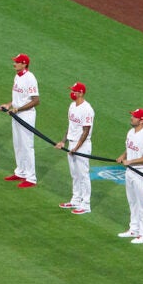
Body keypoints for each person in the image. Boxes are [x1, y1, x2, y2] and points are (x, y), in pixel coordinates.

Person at [116, 108, 143, 244]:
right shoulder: (131, 133)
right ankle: (134, 229)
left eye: (134, 116)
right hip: (131, 172)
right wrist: (123, 156)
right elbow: (130, 148)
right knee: (132, 201)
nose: (132, 118)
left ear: (142, 120)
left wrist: (131, 161)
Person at [1, 54, 40, 188]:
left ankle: (31, 177)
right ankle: (21, 172)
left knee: (27, 146)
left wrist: (18, 109)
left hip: (26, 116)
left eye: (17, 62)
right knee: (18, 144)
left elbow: (36, 101)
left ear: (24, 64)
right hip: (17, 114)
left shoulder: (30, 78)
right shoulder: (17, 76)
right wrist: (9, 105)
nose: (14, 64)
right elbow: (19, 98)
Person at [54, 82, 94, 213]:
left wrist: (77, 147)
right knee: (74, 174)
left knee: (83, 174)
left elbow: (86, 131)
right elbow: (70, 126)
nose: (72, 93)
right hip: (72, 143)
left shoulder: (87, 109)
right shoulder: (72, 106)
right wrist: (63, 141)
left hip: (82, 145)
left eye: (74, 91)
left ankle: (86, 204)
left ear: (81, 93)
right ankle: (75, 200)